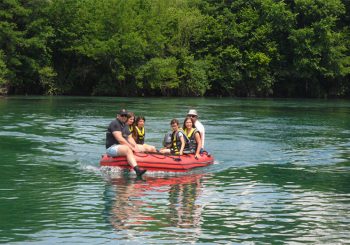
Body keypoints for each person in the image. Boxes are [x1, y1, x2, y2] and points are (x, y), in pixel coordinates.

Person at [105, 109, 146, 177]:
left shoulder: (125, 125)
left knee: (144, 147)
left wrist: (135, 146)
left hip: (121, 147)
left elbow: (130, 138)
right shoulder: (115, 123)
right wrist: (131, 147)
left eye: (125, 115)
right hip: (112, 147)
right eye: (122, 115)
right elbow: (120, 139)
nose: (124, 117)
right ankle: (137, 170)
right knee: (127, 149)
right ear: (118, 116)